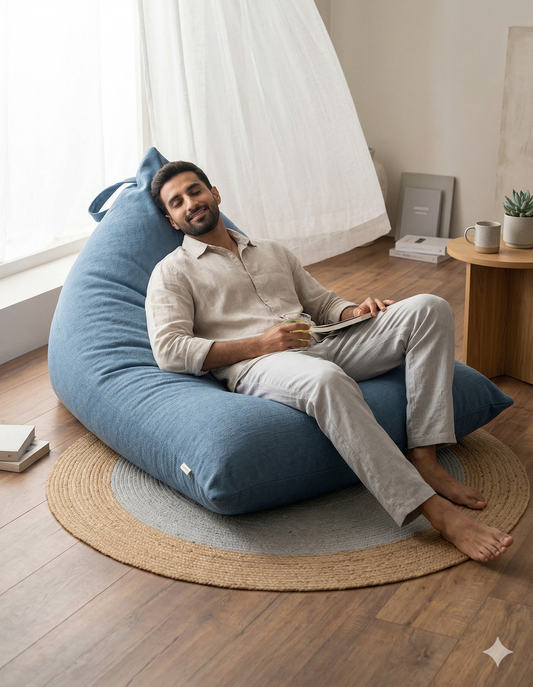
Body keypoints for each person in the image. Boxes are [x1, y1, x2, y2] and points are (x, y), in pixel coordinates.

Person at [145, 160, 513, 563]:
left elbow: (323, 304)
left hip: (323, 341)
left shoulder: (272, 251)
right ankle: (431, 508)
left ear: (214, 193)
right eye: (177, 202)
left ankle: (425, 455)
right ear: (173, 220)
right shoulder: (172, 272)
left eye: (195, 190)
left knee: (430, 307)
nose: (190, 203)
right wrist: (261, 344)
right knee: (326, 379)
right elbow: (170, 350)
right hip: (261, 365)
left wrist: (356, 311)